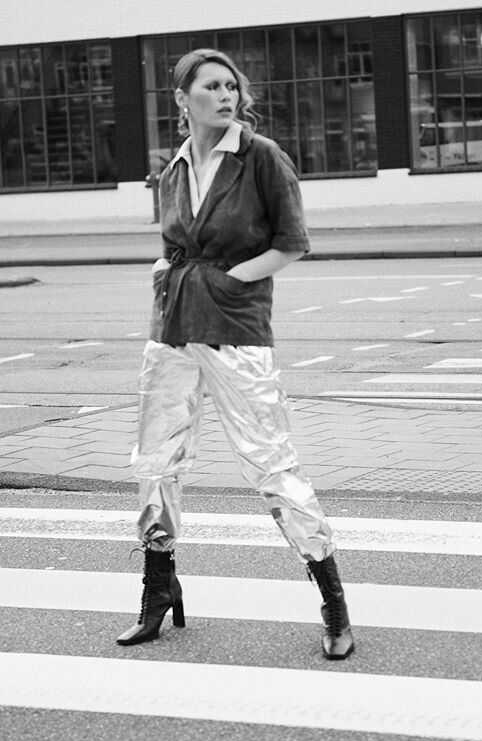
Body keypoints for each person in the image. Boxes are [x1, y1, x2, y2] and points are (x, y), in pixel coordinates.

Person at [116, 48, 354, 660]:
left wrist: (231, 280)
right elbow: (171, 242)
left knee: (271, 466)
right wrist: (164, 269)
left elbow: (292, 243)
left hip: (235, 329)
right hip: (170, 329)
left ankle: (332, 599)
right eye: (210, 87)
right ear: (182, 99)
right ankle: (158, 589)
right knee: (156, 463)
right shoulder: (170, 169)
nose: (224, 96)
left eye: (230, 86)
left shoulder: (260, 157)